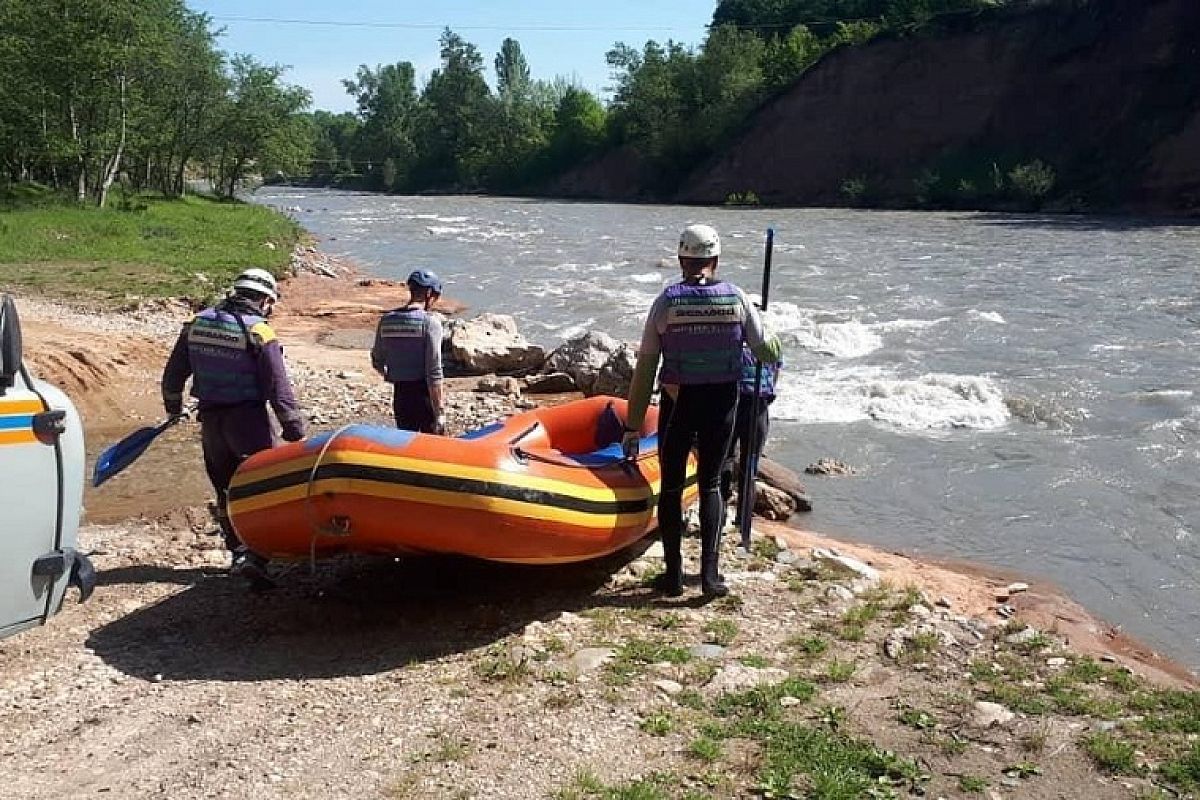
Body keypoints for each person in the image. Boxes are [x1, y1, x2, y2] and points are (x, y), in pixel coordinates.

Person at [623, 224, 782, 598]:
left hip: (680, 405)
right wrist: (765, 326)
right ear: (716, 259)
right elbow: (768, 352)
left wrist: (633, 426)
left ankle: (674, 576)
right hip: (723, 404)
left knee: (673, 487)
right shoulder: (738, 299)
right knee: (711, 484)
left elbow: (645, 370)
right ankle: (710, 577)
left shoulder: (666, 303)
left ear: (682, 258)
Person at [161, 267, 305, 584]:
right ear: (265, 299)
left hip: (212, 423)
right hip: (248, 422)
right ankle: (258, 554)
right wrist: (294, 430)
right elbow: (277, 387)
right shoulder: (259, 332)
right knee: (264, 487)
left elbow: (173, 375)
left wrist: (174, 407)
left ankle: (238, 550)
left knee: (225, 489)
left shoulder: (197, 323)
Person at [371, 269, 446, 434]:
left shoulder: (387, 321)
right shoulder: (430, 323)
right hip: (424, 396)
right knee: (432, 448)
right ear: (428, 293)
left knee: (407, 443)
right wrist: (439, 411)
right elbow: (434, 371)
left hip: (401, 395)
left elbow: (377, 360)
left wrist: (390, 375)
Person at [720, 340, 782, 530]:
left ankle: (719, 517)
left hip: (732, 403)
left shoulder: (731, 337)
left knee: (726, 459)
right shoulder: (771, 340)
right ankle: (743, 521)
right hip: (759, 406)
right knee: (750, 465)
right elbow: (776, 373)